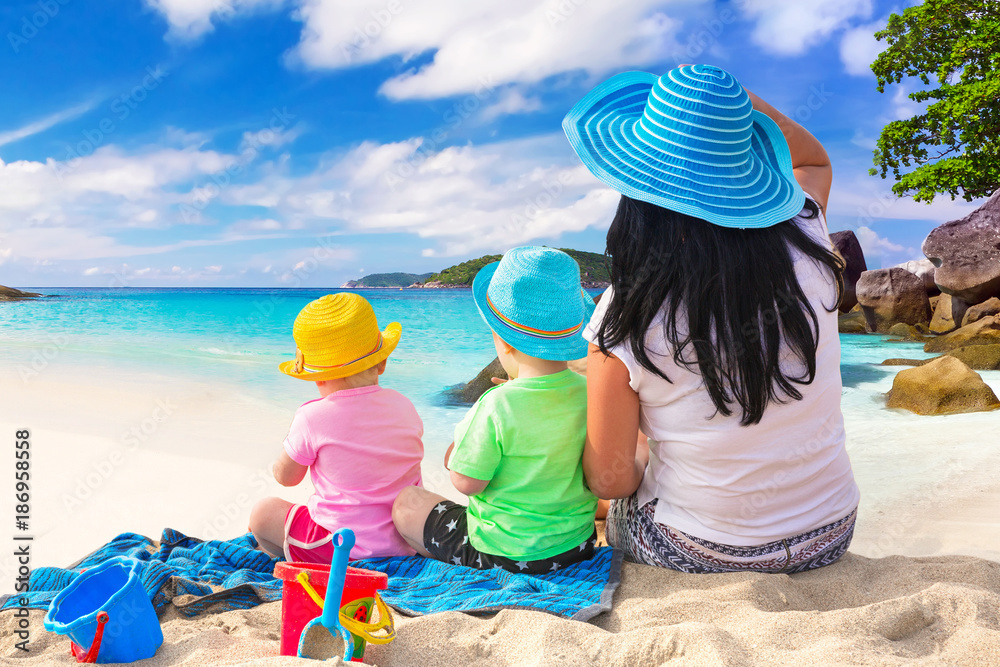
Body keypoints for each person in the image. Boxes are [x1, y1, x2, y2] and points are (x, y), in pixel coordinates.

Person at [563, 64, 859, 573]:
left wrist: (633, 445)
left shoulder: (624, 313)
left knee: (616, 476)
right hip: (830, 533)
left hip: (701, 551)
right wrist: (731, 103)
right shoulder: (810, 233)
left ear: (635, 191)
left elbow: (611, 481)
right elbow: (813, 159)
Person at [392, 246, 599, 573]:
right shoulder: (591, 393)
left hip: (503, 553)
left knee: (407, 504)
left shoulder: (495, 404)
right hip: (577, 547)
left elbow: (466, 483)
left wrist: (455, 451)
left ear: (504, 343)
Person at [249, 293, 424, 562]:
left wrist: (290, 445)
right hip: (404, 542)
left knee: (262, 513)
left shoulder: (312, 416)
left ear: (317, 378)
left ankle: (294, 556)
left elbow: (287, 478)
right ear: (382, 363)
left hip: (342, 548)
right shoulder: (405, 406)